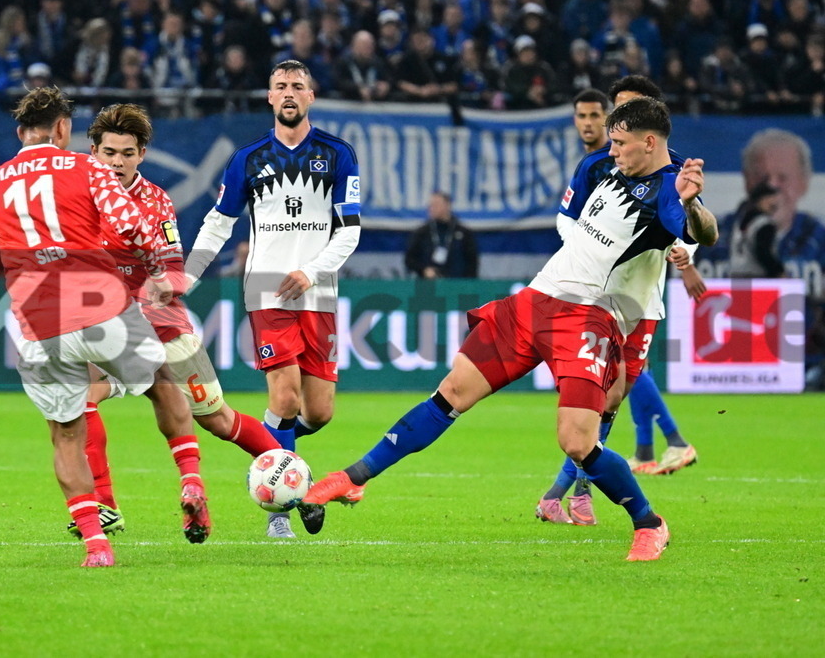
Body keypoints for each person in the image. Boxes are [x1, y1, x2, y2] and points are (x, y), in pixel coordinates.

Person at [304, 97, 719, 562]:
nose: (613, 150)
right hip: (534, 301)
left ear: (649, 142)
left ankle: (649, 523)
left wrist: (692, 205)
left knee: (578, 443)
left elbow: (699, 231)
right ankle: (355, 477)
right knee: (452, 392)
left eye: (621, 143)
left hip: (587, 317)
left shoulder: (667, 188)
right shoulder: (606, 168)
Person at [0, 87, 185, 567]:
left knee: (65, 433)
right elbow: (131, 226)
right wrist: (157, 270)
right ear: (64, 129)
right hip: (103, 310)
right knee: (164, 382)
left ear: (20, 133)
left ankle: (96, 544)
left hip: (38, 325)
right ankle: (190, 479)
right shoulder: (89, 167)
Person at [77, 103, 281, 538]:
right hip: (109, 327)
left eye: (127, 153)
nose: (116, 162)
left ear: (142, 154)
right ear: (93, 150)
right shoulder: (77, 196)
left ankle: (290, 471)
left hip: (162, 323)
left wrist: (161, 285)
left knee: (217, 419)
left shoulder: (155, 202)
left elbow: (172, 267)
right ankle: (105, 504)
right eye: (109, 152)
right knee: (82, 396)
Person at [184, 60, 361, 539]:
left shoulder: (338, 154)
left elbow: (350, 231)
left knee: (319, 412)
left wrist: (312, 271)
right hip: (267, 288)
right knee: (285, 396)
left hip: (318, 291)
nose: (289, 92)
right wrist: (188, 276)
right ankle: (283, 503)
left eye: (297, 86)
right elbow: (219, 223)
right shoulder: (248, 158)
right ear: (268, 97)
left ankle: (267, 451)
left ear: (310, 96)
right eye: (280, 85)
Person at [537, 78, 704, 528]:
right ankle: (578, 489)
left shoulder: (668, 171)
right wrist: (589, 261)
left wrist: (688, 258)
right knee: (603, 393)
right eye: (604, 115)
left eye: (619, 116)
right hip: (593, 296)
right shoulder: (595, 167)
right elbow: (567, 219)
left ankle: (574, 491)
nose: (611, 126)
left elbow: (686, 223)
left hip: (640, 300)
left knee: (615, 394)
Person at [697, 129, 825, 387]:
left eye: (783, 178)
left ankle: (748, 376)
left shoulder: (743, 219)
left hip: (738, 282)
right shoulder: (763, 223)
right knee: (770, 336)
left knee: (746, 338)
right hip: (760, 284)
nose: (776, 199)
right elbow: (765, 253)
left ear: (804, 181)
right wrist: (780, 274)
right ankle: (777, 377)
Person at [404, 191, 478, 279]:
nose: (431, 208)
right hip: (428, 287)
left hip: (457, 286)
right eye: (430, 205)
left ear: (448, 206)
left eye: (436, 205)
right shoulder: (422, 233)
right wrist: (423, 270)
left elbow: (472, 262)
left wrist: (468, 284)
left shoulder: (464, 233)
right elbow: (409, 259)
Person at [728, 181, 785, 278]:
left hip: (736, 277)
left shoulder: (741, 221)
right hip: (756, 278)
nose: (774, 203)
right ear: (759, 200)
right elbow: (763, 253)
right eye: (769, 199)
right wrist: (779, 271)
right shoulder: (764, 223)